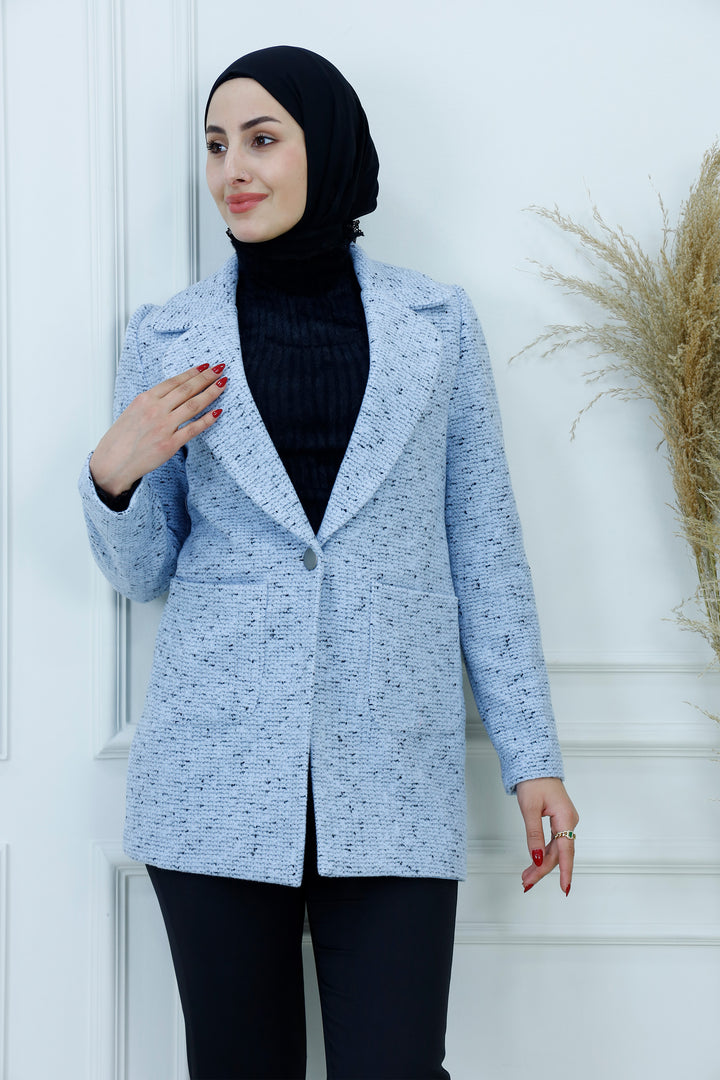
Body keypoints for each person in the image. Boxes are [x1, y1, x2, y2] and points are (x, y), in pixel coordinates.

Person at [79, 44, 579, 1080]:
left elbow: (486, 551)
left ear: (330, 148)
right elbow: (143, 573)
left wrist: (534, 758)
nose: (232, 170)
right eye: (216, 145)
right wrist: (113, 477)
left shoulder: (436, 325)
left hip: (391, 767)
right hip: (214, 775)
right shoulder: (167, 335)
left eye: (262, 140)